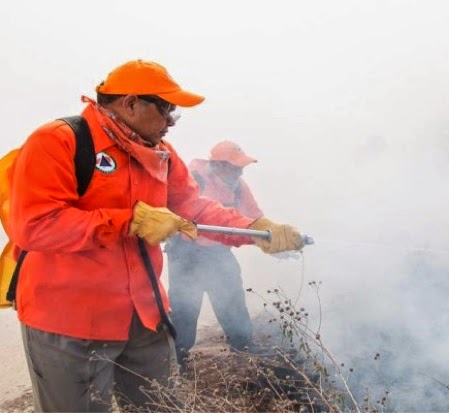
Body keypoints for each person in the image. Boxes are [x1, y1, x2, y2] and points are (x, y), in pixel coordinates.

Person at [8, 59, 304, 413]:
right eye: (167, 110)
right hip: (70, 321)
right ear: (131, 103)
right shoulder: (58, 141)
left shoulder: (163, 154)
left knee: (160, 406)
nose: (171, 122)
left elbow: (192, 207)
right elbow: (35, 225)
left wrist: (255, 231)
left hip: (143, 314)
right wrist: (129, 221)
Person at [167, 140, 265, 368]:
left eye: (241, 167)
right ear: (218, 165)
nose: (240, 171)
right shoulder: (193, 180)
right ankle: (176, 363)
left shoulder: (238, 186)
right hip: (186, 255)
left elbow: (255, 218)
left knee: (233, 302)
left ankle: (245, 353)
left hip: (219, 253)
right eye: (234, 166)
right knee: (184, 310)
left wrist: (271, 240)